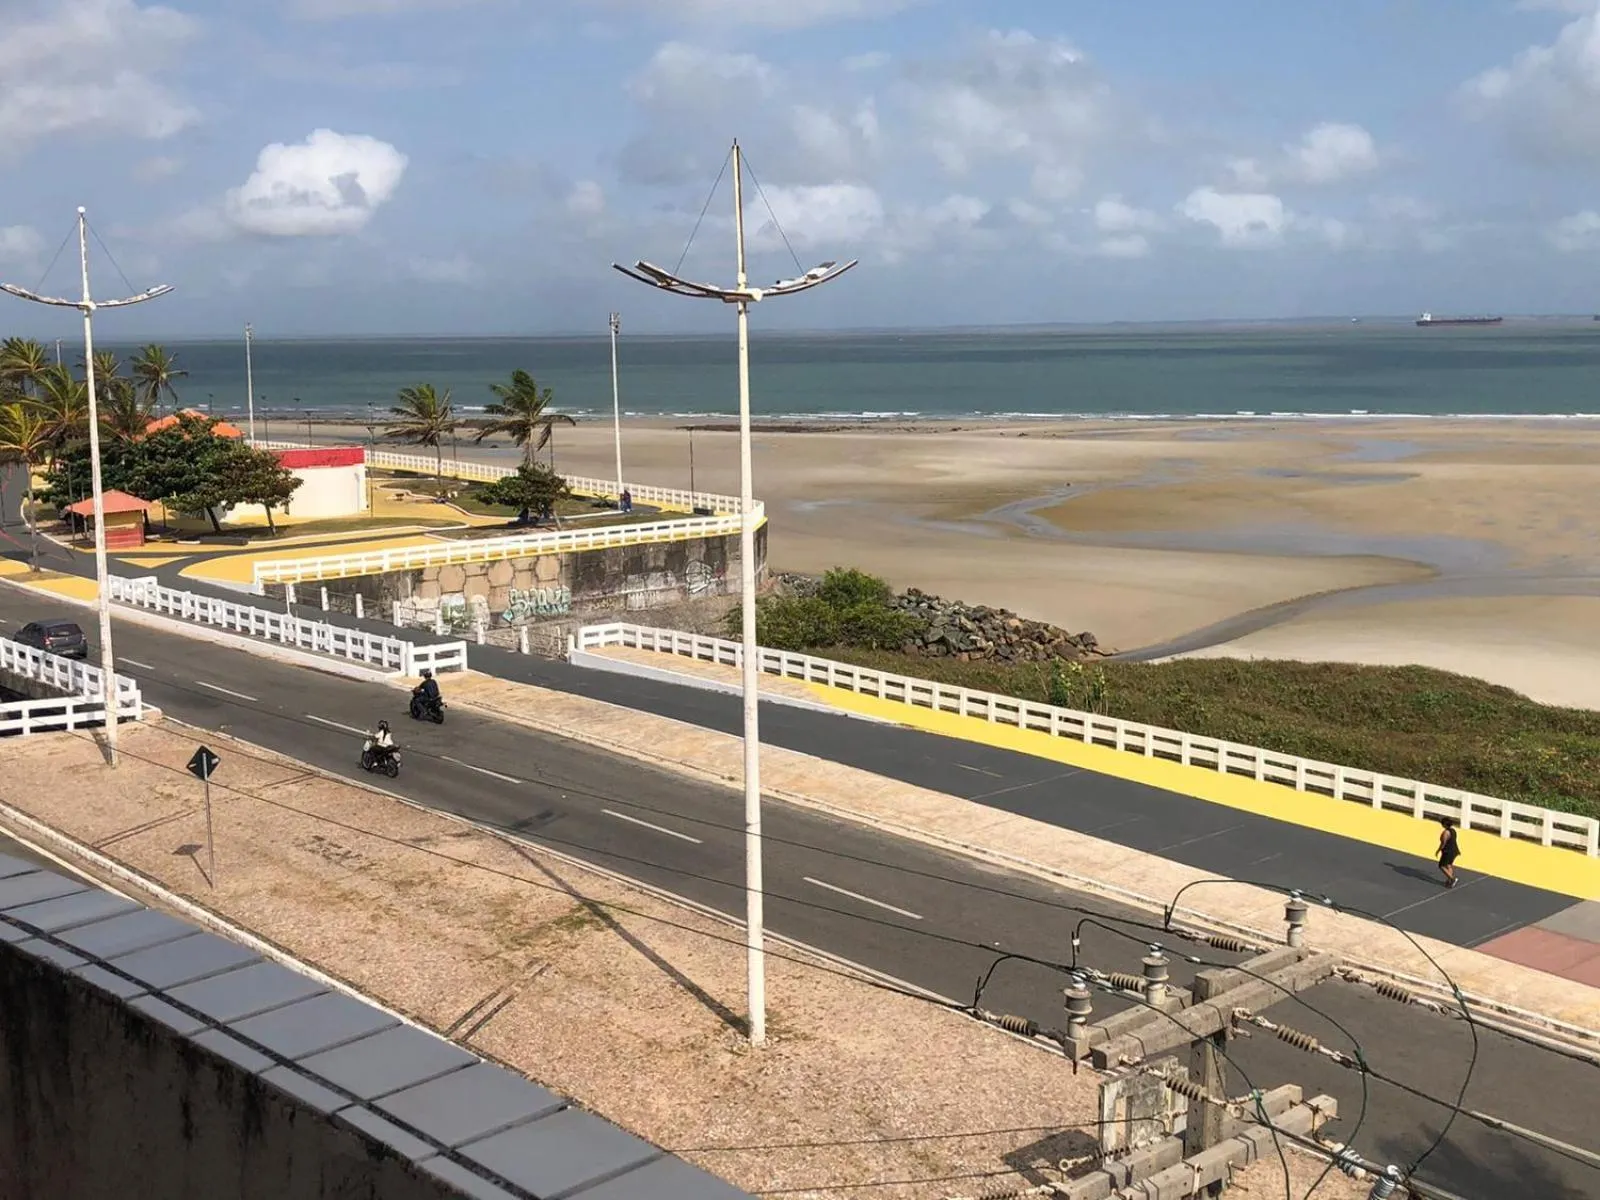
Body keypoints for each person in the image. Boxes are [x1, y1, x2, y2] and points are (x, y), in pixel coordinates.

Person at [1437, 816, 1460, 888]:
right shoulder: (1453, 830)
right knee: (1449, 865)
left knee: (1441, 866)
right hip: (1454, 850)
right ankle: (1449, 880)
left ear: (1445, 824)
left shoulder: (1446, 832)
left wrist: (1438, 850)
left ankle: (1452, 879)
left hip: (1448, 851)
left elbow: (1443, 843)